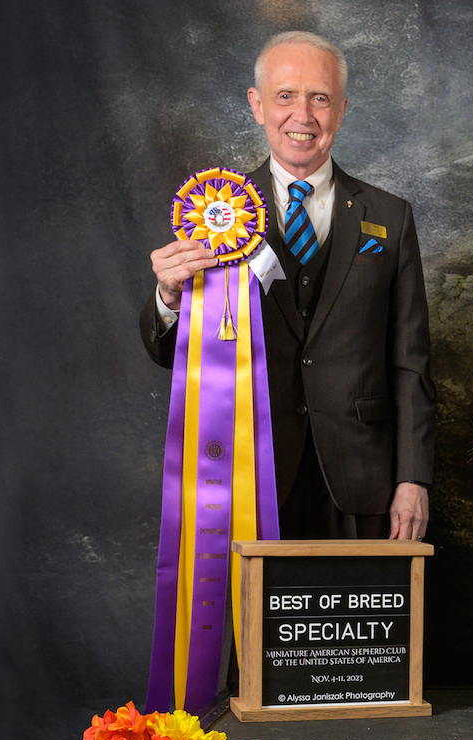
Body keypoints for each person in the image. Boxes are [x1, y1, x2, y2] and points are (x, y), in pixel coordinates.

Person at [141, 31, 435, 540]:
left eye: (320, 98)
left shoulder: (392, 217)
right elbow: (171, 354)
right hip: (246, 476)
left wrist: (414, 478)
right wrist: (169, 298)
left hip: (364, 483)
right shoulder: (213, 212)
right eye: (285, 96)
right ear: (257, 106)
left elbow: (411, 364)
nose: (303, 115)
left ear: (341, 109)